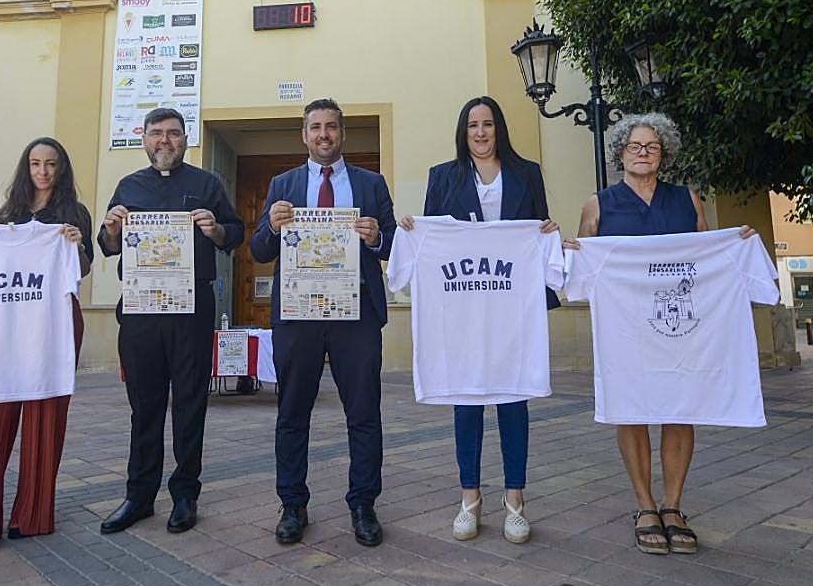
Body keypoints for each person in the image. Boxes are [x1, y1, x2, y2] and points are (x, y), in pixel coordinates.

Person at [568, 112, 753, 555]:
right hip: (625, 328)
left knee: (680, 406)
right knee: (631, 409)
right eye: (635, 147)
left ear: (663, 153)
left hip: (680, 326)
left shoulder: (687, 200)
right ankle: (645, 504)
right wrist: (572, 250)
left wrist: (737, 243)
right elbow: (581, 269)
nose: (643, 153)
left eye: (652, 146)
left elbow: (707, 254)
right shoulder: (598, 204)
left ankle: (673, 505)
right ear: (620, 153)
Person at [398, 96, 560, 543]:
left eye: (489, 124)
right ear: (463, 131)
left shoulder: (526, 173)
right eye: (473, 125)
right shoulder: (443, 176)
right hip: (464, 311)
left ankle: (515, 501)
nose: (481, 132)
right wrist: (415, 232)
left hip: (512, 311)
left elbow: (537, 228)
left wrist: (544, 231)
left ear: (499, 128)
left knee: (514, 400)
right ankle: (469, 498)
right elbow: (433, 240)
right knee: (465, 400)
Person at [250, 98, 396, 546]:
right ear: (304, 135)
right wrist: (272, 228)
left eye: (331, 127)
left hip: (357, 314)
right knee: (292, 412)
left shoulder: (371, 184)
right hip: (298, 315)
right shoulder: (282, 183)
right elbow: (258, 250)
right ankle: (292, 504)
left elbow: (394, 245)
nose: (324, 135)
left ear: (343, 133)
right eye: (316, 128)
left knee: (364, 413)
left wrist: (376, 239)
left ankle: (363, 503)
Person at [98, 108, 244, 535]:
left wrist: (216, 230)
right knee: (144, 408)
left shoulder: (206, 184)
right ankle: (139, 496)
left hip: (191, 311)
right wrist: (110, 229)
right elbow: (108, 246)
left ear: (186, 138)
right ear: (143, 138)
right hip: (142, 312)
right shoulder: (129, 185)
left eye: (174, 134)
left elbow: (235, 233)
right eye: (157, 134)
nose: (165, 141)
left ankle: (185, 495)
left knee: (189, 405)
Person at [0, 137, 93, 557]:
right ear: (25, 168)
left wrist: (76, 244)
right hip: (2, 323)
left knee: (45, 418)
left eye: (51, 163)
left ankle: (32, 514)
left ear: (62, 168)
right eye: (35, 163)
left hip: (55, 320)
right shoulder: (3, 216)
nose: (43, 171)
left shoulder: (74, 215)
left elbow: (82, 270)